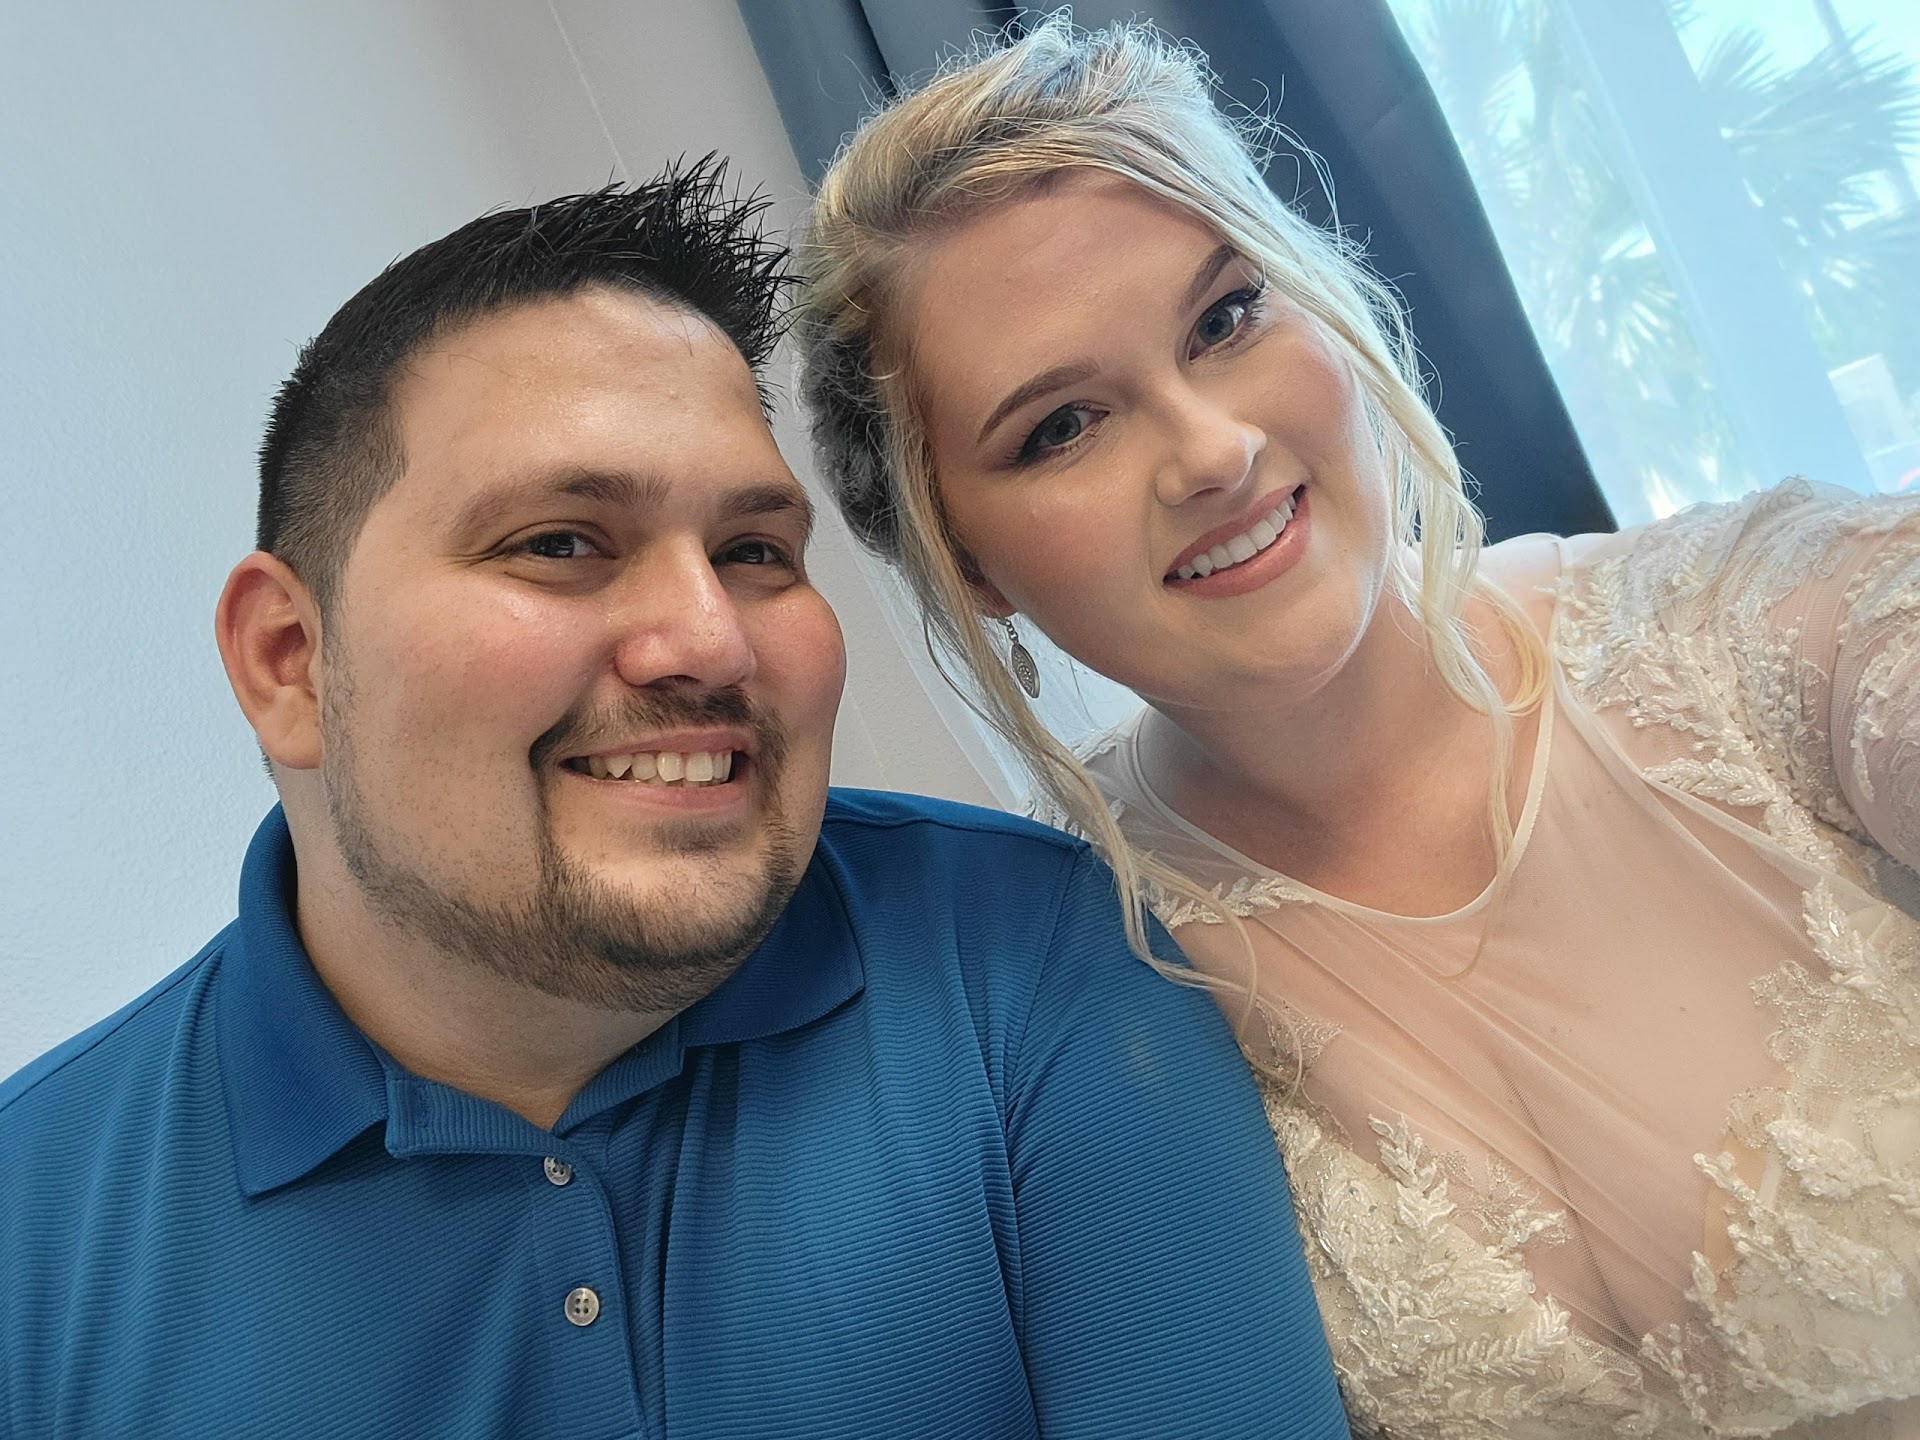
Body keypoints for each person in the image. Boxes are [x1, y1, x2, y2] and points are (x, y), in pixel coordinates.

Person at [0, 163, 1349, 1438]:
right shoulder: (33, 1238)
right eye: (560, 543)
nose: (710, 638)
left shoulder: (1030, 960)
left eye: (754, 550)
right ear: (290, 661)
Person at [793, 17, 1920, 1440]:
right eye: (1062, 426)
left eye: (1225, 318)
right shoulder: (1049, 971)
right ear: (968, 566)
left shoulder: (1770, 623)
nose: (1213, 452)